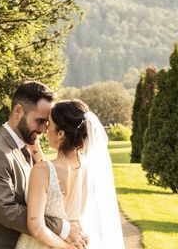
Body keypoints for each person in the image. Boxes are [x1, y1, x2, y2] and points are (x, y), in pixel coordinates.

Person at [0, 81, 88, 249]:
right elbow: (7, 211)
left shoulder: (28, 146)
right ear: (18, 110)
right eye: (40, 121)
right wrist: (62, 227)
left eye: (47, 123)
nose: (44, 129)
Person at [16, 99, 125, 249]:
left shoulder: (41, 171)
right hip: (79, 242)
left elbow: (36, 227)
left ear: (60, 133)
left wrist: (65, 247)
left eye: (50, 124)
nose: (46, 129)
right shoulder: (91, 169)